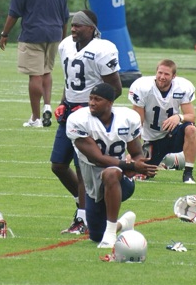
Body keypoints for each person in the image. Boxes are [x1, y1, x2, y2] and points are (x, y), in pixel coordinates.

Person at [53, 10, 121, 235]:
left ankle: (83, 219)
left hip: (89, 113)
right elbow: (69, 80)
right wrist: (63, 103)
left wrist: (93, 110)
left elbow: (114, 88)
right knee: (58, 165)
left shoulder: (103, 49)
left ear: (91, 28)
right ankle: (85, 205)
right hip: (70, 110)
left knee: (82, 169)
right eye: (72, 25)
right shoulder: (65, 45)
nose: (73, 29)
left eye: (79, 25)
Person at [66, 83, 156, 248]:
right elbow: (98, 159)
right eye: (91, 98)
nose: (92, 103)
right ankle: (124, 223)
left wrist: (141, 165)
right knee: (96, 235)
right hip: (92, 181)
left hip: (118, 180)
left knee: (111, 173)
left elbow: (136, 152)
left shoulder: (127, 118)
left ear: (110, 103)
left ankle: (110, 235)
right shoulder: (78, 120)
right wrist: (132, 166)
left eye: (97, 99)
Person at [0, 0, 69, 128]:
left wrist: (4, 34)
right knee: (47, 71)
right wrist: (63, 37)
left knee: (35, 75)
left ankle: (36, 118)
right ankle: (47, 105)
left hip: (33, 34)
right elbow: (65, 16)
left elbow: (14, 13)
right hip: (54, 34)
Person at [128, 59, 196, 184]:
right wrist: (134, 153)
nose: (162, 77)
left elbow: (191, 116)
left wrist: (179, 117)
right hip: (152, 140)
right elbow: (137, 123)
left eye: (166, 74)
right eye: (160, 73)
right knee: (139, 174)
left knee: (191, 128)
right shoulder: (142, 87)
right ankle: (172, 160)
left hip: (172, 134)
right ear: (156, 72)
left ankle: (188, 173)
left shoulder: (182, 87)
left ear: (174, 76)